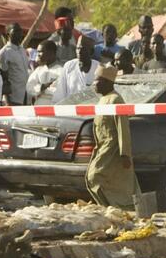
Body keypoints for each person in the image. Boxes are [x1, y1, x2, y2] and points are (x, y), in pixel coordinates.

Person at [86, 64, 139, 209]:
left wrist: (125, 154)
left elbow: (123, 128)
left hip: (113, 149)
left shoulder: (116, 100)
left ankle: (117, 207)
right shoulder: (103, 99)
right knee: (95, 178)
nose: (94, 84)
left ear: (107, 82)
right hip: (103, 147)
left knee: (95, 176)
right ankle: (108, 208)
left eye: (97, 81)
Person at [54, 36, 99, 103]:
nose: (79, 51)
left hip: (91, 110)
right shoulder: (69, 66)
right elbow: (60, 91)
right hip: (71, 109)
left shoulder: (98, 68)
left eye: (83, 49)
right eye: (77, 48)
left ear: (91, 51)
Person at [0, 23, 29, 105]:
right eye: (16, 31)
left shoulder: (22, 50)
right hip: (12, 99)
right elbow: (1, 78)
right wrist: (8, 101)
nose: (19, 33)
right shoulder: (5, 53)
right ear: (8, 34)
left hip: (25, 96)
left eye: (20, 31)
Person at [26, 40, 63, 105]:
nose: (38, 55)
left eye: (40, 52)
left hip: (53, 107)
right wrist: (42, 87)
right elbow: (29, 87)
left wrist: (43, 90)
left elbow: (60, 92)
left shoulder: (61, 71)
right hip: (38, 107)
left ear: (51, 53)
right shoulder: (39, 70)